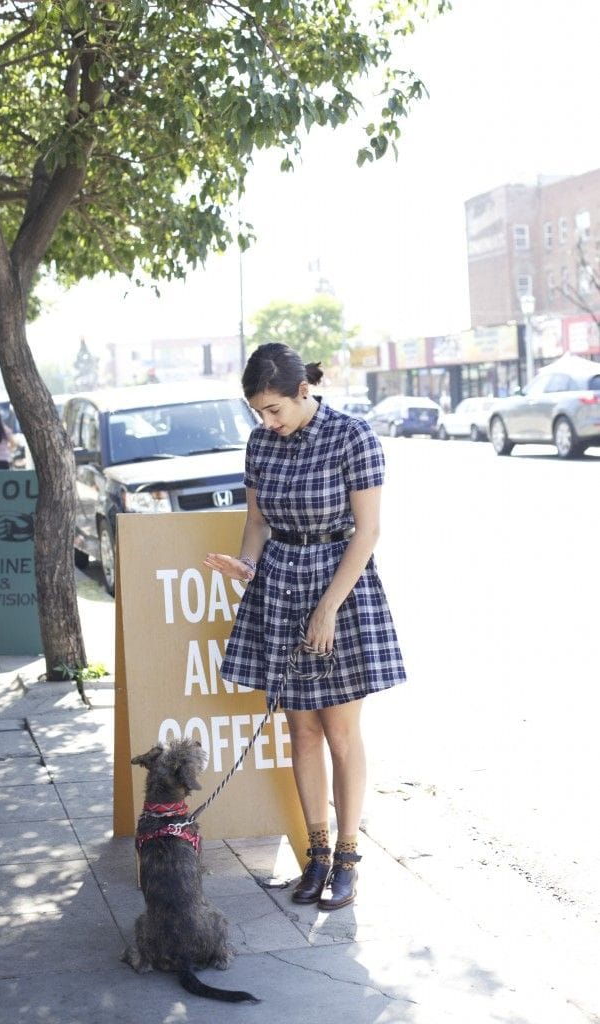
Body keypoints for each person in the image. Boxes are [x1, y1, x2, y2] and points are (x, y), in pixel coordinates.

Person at [204, 343, 406, 912]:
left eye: (274, 409)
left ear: (302, 392)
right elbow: (257, 521)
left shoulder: (352, 435)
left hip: (340, 585)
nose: (267, 422)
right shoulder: (261, 444)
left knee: (340, 732)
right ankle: (315, 855)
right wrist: (244, 566)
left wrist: (328, 609)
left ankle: (347, 858)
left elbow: (367, 533)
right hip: (281, 585)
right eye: (257, 413)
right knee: (302, 732)